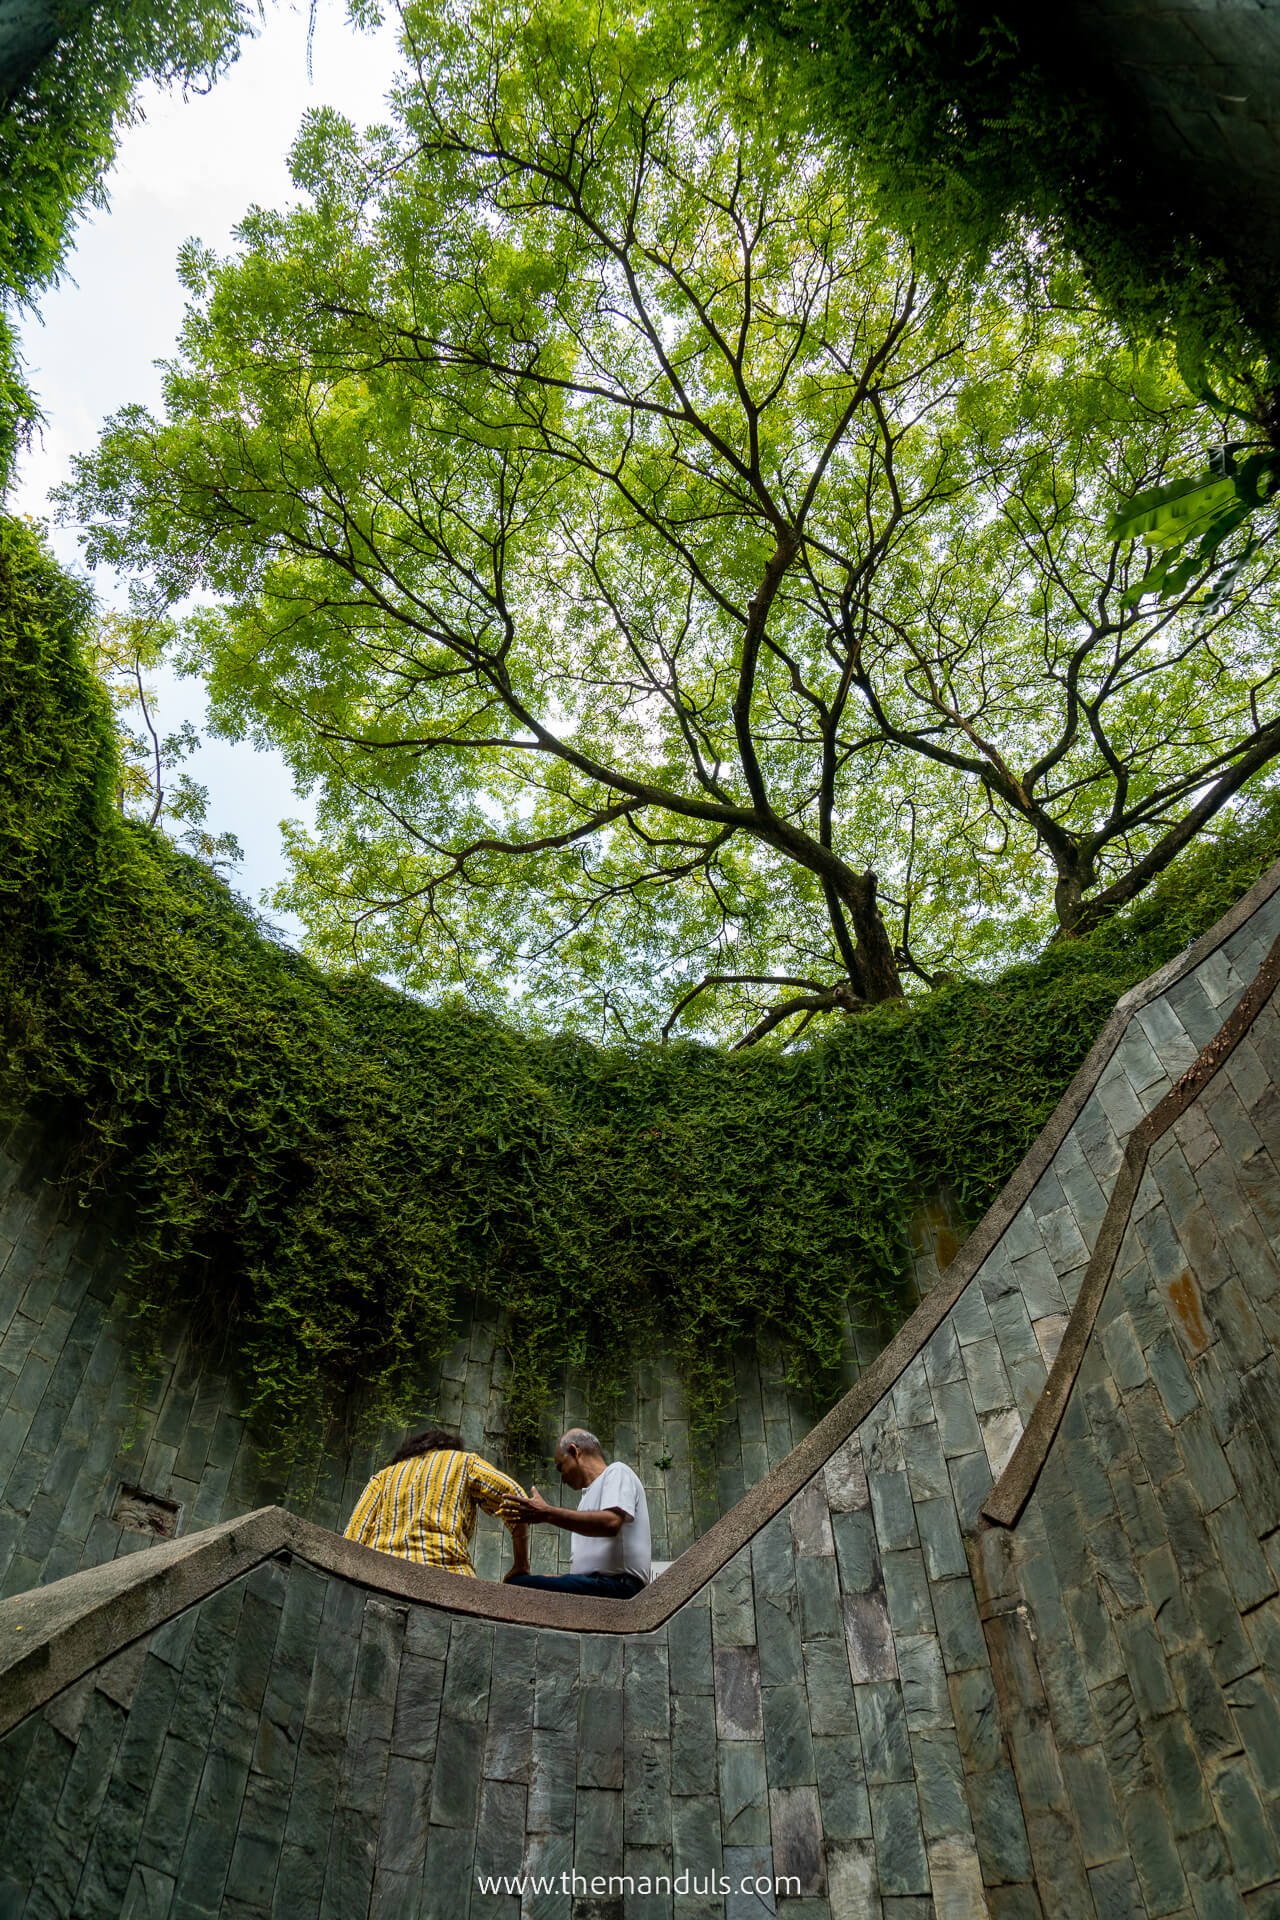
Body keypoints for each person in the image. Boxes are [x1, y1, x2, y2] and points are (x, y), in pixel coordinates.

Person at [344, 1427, 530, 1579]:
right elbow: (516, 1496)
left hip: (380, 1577)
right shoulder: (463, 1462)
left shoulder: (383, 1477)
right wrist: (521, 1564)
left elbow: (352, 1538)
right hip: (449, 1578)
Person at [503, 1427, 650, 1598]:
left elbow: (611, 1523)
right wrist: (561, 1579)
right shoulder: (584, 1502)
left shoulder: (617, 1471)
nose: (562, 1478)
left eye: (561, 1467)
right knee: (519, 1584)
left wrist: (547, 1513)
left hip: (619, 1587)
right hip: (596, 1585)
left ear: (574, 1451)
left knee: (517, 1585)